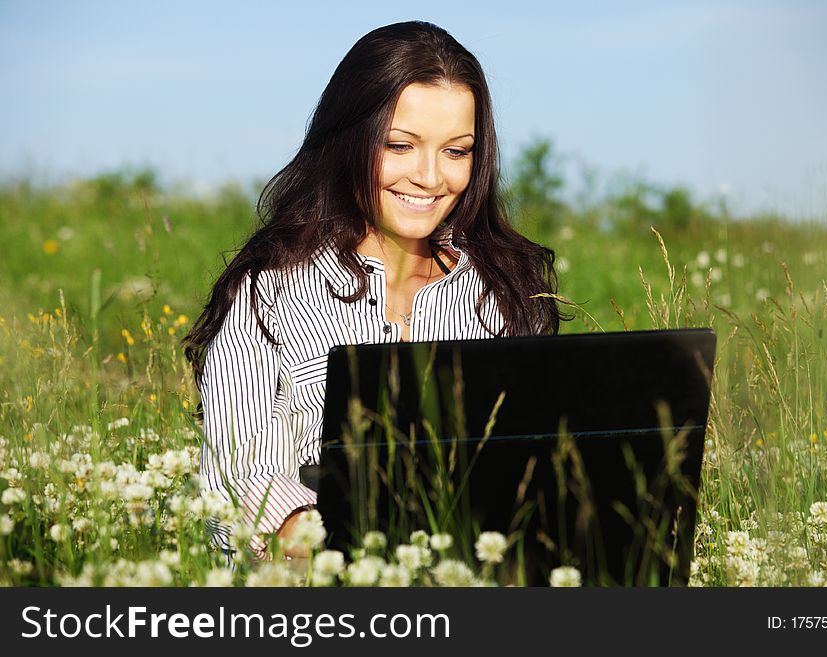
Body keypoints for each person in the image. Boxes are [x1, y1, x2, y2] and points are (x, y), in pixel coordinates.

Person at [183, 21, 564, 561]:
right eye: (400, 145)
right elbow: (237, 482)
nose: (430, 177)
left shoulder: (502, 297)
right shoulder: (269, 294)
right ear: (349, 139)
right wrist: (335, 549)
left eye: (457, 151)